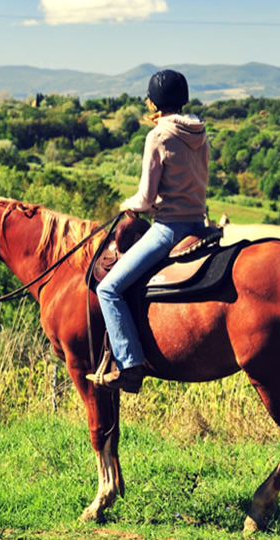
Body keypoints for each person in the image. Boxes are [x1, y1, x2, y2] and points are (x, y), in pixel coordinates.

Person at [87, 69, 210, 393]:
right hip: (199, 223)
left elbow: (144, 196)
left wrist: (130, 205)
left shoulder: (158, 136)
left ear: (155, 101)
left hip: (169, 228)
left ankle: (129, 364)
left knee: (109, 289)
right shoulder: (200, 132)